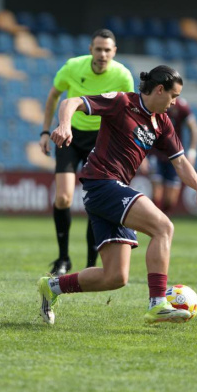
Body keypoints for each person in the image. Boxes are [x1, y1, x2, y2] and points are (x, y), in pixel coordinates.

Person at [38, 65, 197, 325]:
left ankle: (51, 287)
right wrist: (65, 126)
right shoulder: (122, 102)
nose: (175, 102)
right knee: (163, 227)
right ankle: (157, 303)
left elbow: (180, 162)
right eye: (173, 96)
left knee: (115, 277)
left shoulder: (162, 123)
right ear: (159, 90)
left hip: (109, 191)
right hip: (102, 183)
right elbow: (70, 101)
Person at [38, 29, 134, 275]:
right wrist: (45, 131)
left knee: (96, 200)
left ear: (114, 52)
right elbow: (54, 96)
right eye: (98, 49)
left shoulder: (123, 76)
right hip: (69, 135)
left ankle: (91, 262)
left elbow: (128, 113)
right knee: (63, 198)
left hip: (101, 140)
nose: (102, 54)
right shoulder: (72, 67)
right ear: (91, 49)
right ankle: (63, 259)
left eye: (107, 50)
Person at [147, 97, 197, 212]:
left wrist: (192, 152)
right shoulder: (156, 104)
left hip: (174, 155)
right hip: (155, 153)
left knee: (170, 200)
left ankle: (163, 219)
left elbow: (194, 128)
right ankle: (155, 220)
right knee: (157, 194)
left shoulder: (182, 106)